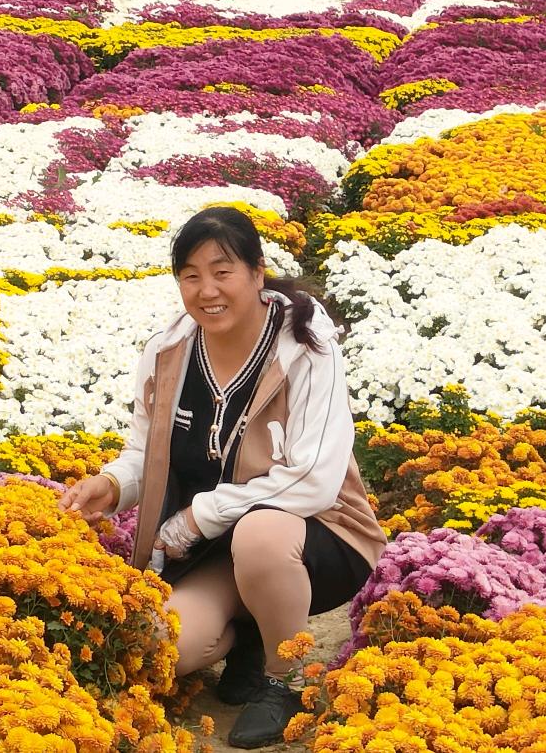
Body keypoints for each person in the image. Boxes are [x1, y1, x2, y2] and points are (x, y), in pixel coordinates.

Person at [58, 206, 386, 748]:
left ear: (257, 272)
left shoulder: (305, 347)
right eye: (190, 275)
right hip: (214, 548)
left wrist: (201, 515)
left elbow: (312, 479)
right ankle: (253, 637)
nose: (206, 288)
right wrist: (112, 485)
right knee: (163, 644)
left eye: (222, 270)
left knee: (261, 533)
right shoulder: (169, 353)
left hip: (315, 533)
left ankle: (289, 682)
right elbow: (146, 453)